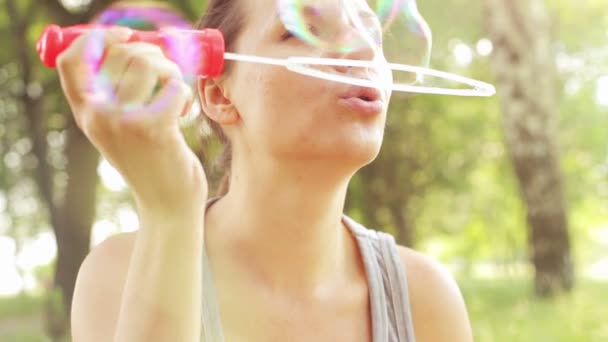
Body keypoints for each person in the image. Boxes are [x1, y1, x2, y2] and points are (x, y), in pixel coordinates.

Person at [62, 0, 474, 341]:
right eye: (298, 31)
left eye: (372, 35)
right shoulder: (121, 273)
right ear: (220, 94)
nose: (365, 52)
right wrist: (169, 210)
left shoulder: (425, 298)